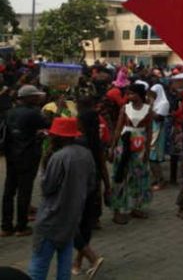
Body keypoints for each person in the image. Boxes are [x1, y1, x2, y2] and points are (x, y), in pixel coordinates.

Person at [29, 117, 96, 280]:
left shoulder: (58, 157)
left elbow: (47, 187)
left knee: (39, 265)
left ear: (59, 137)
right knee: (64, 266)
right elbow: (91, 184)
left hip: (51, 218)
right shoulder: (86, 154)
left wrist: (44, 167)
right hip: (72, 218)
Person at [2, 85, 48, 237]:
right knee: (24, 191)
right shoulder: (33, 113)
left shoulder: (9, 113)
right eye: (35, 96)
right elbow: (49, 124)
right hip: (27, 155)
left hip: (11, 155)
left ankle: (6, 226)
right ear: (27, 98)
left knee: (9, 191)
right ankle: (21, 226)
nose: (37, 98)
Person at [71, 98, 109, 277]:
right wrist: (107, 188)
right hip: (93, 188)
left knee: (72, 225)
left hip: (78, 189)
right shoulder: (96, 142)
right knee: (85, 225)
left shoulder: (78, 143)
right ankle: (79, 259)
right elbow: (102, 167)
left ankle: (87, 257)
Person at [110, 83, 153, 225]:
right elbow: (118, 129)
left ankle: (135, 206)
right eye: (128, 94)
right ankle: (117, 209)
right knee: (120, 174)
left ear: (140, 95)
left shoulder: (148, 110)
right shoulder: (125, 108)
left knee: (138, 176)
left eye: (132, 94)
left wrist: (147, 149)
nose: (129, 96)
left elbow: (149, 131)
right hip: (124, 145)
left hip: (140, 147)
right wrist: (112, 147)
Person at [148, 84, 170, 191]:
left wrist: (149, 108)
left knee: (154, 157)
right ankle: (157, 178)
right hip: (152, 130)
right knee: (150, 157)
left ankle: (161, 180)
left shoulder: (164, 103)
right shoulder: (155, 103)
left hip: (158, 131)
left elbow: (158, 117)